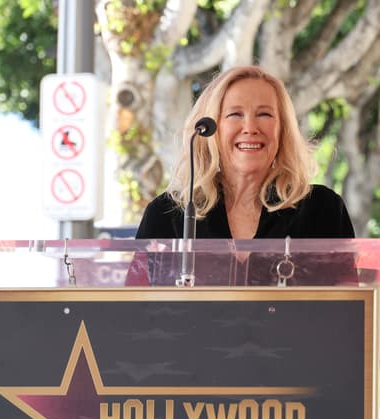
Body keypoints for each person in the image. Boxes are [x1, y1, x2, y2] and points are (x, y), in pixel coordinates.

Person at [132, 66, 355, 287]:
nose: (250, 127)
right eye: (235, 114)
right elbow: (130, 311)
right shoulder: (166, 214)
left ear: (282, 130)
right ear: (211, 130)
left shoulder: (322, 209)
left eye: (264, 114)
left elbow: (350, 311)